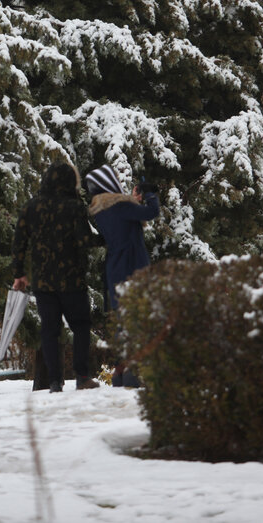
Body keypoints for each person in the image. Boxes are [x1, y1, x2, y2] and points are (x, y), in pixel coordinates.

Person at [12, 161, 100, 393]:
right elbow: (85, 241)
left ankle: (54, 381)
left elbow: (19, 241)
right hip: (72, 279)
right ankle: (82, 376)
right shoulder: (75, 207)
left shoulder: (31, 207)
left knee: (49, 330)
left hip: (42, 281)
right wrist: (107, 238)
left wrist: (19, 273)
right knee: (80, 326)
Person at [85, 164, 160, 387]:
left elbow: (127, 216)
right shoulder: (120, 207)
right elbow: (151, 212)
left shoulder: (101, 210)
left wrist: (132, 199)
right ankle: (132, 372)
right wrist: (150, 194)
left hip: (114, 268)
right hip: (133, 266)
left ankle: (120, 370)